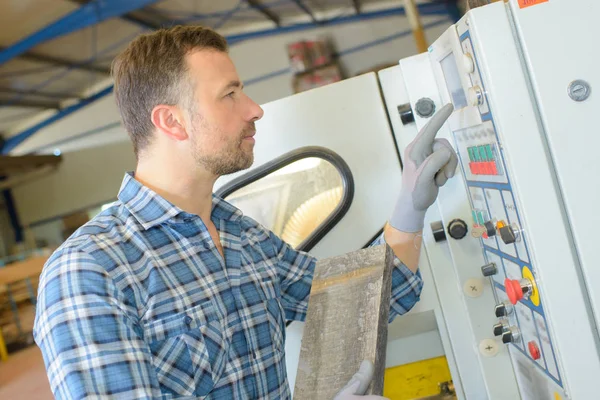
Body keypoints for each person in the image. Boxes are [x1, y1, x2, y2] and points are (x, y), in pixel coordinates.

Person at [33, 25, 457, 399]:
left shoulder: (239, 233)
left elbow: (360, 305)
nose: (254, 109)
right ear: (172, 122)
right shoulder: (88, 272)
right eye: (230, 94)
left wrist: (409, 207)